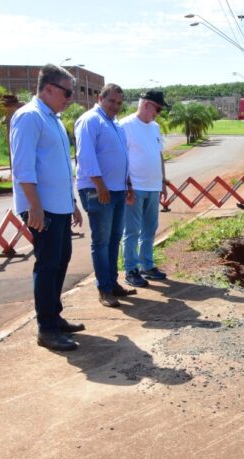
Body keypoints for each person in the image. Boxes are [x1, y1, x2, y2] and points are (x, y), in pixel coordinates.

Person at [10, 64, 83, 351]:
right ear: (49, 88)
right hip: (43, 208)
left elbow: (61, 167)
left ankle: (55, 317)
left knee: (61, 260)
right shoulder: (29, 117)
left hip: (60, 206)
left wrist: (72, 203)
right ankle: (47, 328)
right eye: (67, 91)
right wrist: (34, 207)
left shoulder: (53, 118)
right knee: (48, 265)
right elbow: (22, 167)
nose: (70, 97)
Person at [75, 83, 136, 308]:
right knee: (101, 241)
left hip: (118, 189)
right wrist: (100, 184)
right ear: (100, 98)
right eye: (111, 101)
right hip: (98, 190)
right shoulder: (91, 120)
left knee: (114, 239)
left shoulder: (115, 124)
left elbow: (122, 158)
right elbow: (86, 156)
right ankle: (104, 289)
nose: (115, 106)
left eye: (119, 103)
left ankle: (113, 283)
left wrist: (127, 183)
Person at [120, 90, 169, 287]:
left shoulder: (155, 127)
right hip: (135, 187)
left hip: (153, 186)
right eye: (158, 108)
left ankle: (147, 265)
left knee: (150, 228)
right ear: (147, 104)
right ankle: (131, 269)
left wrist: (163, 182)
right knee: (132, 231)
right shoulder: (126, 126)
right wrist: (128, 185)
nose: (159, 113)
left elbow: (159, 156)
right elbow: (121, 159)